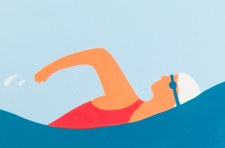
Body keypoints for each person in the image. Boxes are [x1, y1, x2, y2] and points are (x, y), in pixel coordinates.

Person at [34, 47, 200, 129]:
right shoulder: (142, 130)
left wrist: (48, 70)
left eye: (171, 79)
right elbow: (98, 56)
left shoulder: (124, 100)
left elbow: (99, 56)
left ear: (173, 92)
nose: (164, 76)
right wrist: (49, 69)